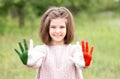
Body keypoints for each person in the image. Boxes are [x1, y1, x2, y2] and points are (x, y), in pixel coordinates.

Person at [14, 7, 94, 79]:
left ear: (68, 28)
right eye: (53, 27)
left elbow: (80, 63)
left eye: (62, 27)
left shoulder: (74, 50)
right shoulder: (41, 50)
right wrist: (29, 61)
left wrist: (84, 63)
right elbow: (36, 62)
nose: (57, 31)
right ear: (47, 28)